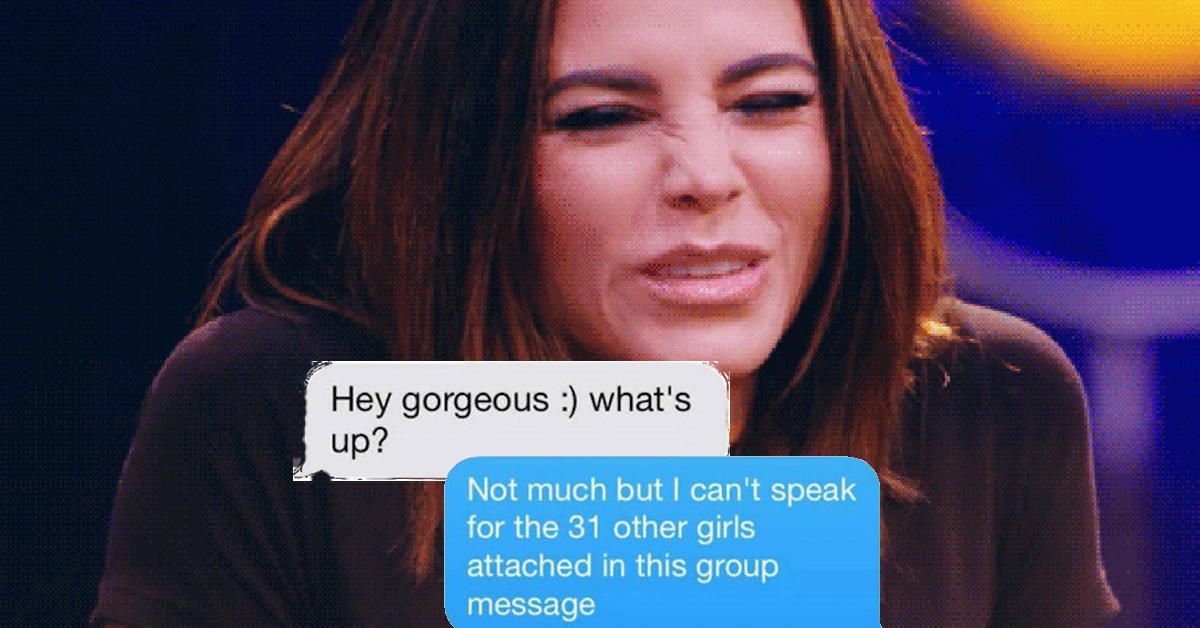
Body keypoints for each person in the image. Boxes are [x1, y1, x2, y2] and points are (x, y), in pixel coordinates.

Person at [92, 0, 1119, 625]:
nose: (706, 176)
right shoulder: (286, 410)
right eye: (600, 117)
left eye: (770, 101)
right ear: (463, 153)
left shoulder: (989, 401)